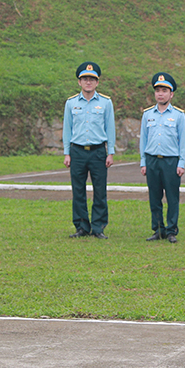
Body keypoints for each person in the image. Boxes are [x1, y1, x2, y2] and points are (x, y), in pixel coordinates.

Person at [63, 61, 116, 239]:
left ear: (97, 82)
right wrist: (66, 152)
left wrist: (111, 152)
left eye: (92, 79)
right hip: (77, 151)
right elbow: (67, 129)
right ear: (79, 82)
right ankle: (81, 226)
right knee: (78, 190)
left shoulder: (105, 103)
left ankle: (98, 227)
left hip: (98, 151)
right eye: (85, 79)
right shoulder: (71, 103)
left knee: (100, 190)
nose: (88, 82)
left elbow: (110, 128)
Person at [140, 72, 185, 243]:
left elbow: (183, 141)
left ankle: (171, 230)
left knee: (172, 197)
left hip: (170, 161)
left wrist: (181, 163)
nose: (160, 93)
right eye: (158, 90)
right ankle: (158, 229)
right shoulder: (148, 114)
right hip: (152, 159)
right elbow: (143, 139)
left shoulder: (178, 115)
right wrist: (143, 162)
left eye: (164, 90)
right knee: (154, 197)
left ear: (171, 94)